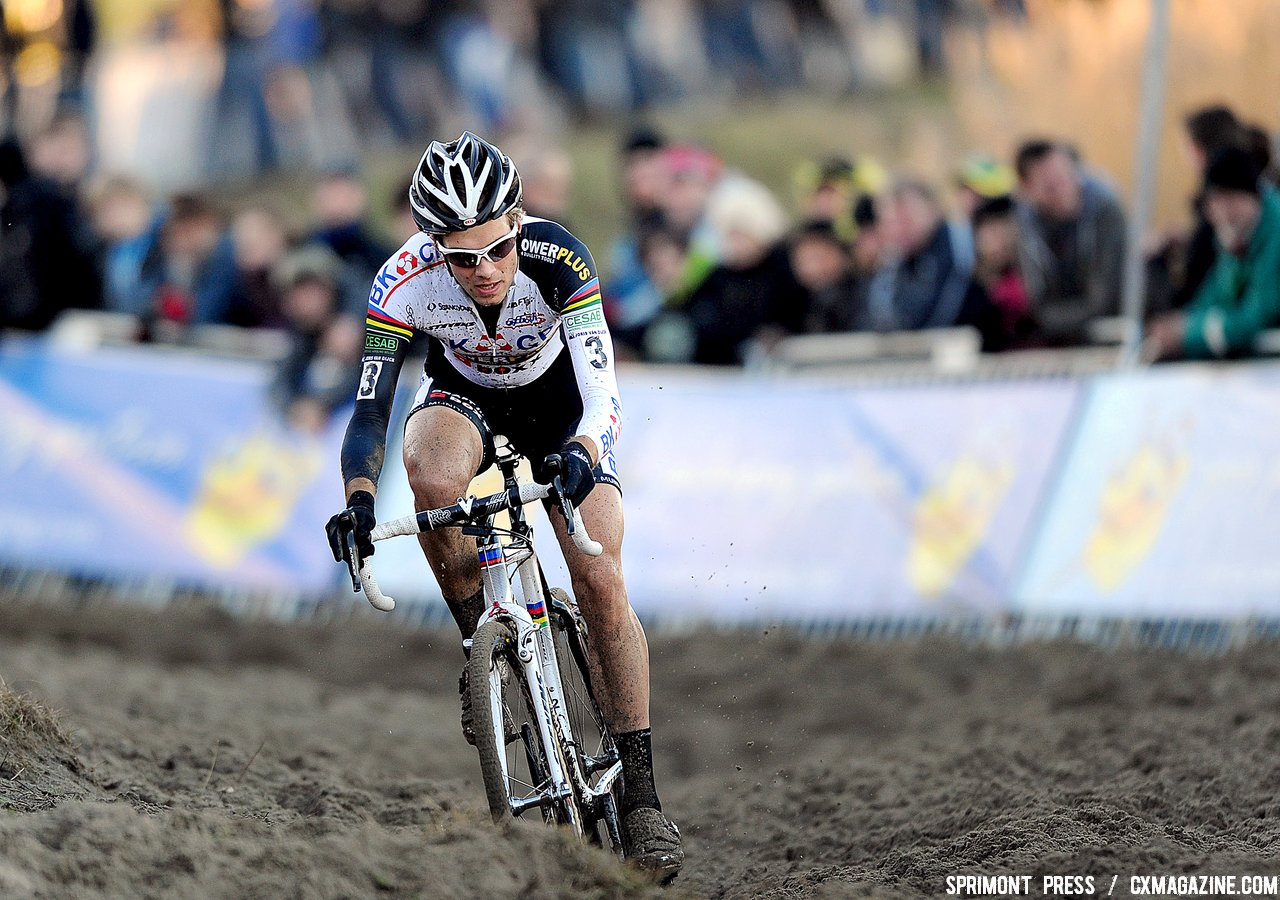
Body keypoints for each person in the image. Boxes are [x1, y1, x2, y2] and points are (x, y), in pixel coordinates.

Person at [323, 132, 684, 878]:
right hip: (465, 398)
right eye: (462, 257)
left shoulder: (561, 259)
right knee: (429, 477)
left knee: (600, 575)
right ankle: (475, 646)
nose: (484, 270)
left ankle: (643, 796)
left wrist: (584, 453)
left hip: (559, 405)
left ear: (519, 219)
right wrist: (358, 500)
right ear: (431, 246)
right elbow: (369, 414)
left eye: (497, 248)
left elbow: (603, 388)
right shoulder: (399, 283)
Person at [1144, 147, 1280, 362]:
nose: (1220, 212)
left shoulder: (1274, 233)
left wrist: (1187, 334)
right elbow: (1217, 292)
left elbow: (1259, 313)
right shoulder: (1238, 232)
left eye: (1227, 200)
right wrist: (1183, 322)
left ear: (1247, 195)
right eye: (1214, 203)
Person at [1014, 140, 1127, 345]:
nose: (1065, 190)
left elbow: (1105, 300)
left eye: (1067, 178)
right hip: (1064, 341)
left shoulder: (1104, 212)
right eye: (1051, 187)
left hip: (1113, 334)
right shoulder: (1026, 227)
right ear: (1027, 189)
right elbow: (1039, 306)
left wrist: (1052, 321)